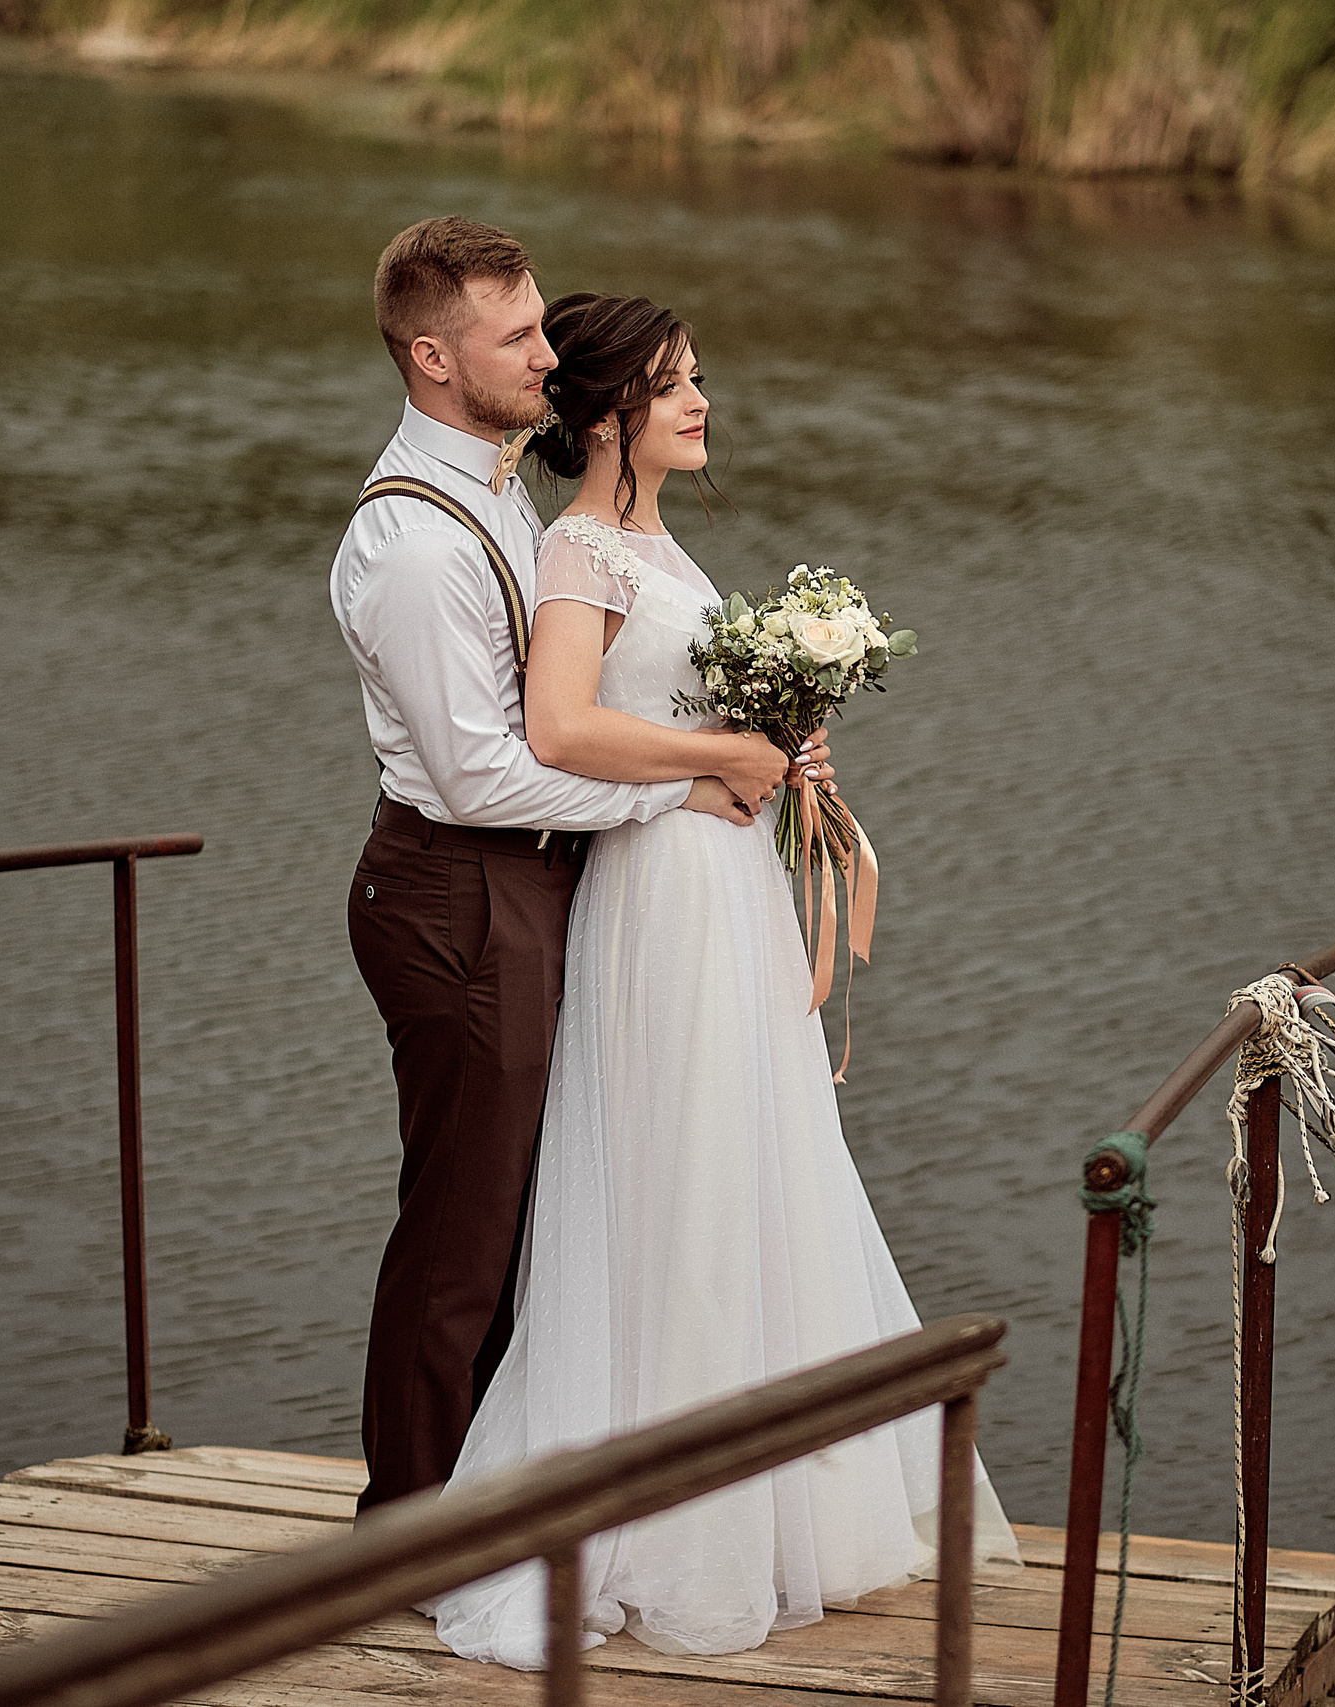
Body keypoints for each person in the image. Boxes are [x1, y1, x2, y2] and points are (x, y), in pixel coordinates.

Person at [421, 291, 1021, 1669]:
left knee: (754, 1160)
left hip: (726, 887)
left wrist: (774, 742)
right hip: (666, 897)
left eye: (698, 380)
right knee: (680, 1168)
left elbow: (661, 710)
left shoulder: (652, 541)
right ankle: (672, 1516)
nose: (702, 403)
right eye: (677, 384)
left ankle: (777, 1501)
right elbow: (559, 724)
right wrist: (719, 762)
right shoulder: (582, 549)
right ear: (611, 408)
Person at [331, 217, 811, 1518]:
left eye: (545, 326)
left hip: (519, 882)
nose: (549, 356)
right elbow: (487, 771)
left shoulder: (497, 482)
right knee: (462, 1231)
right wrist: (683, 783)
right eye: (519, 336)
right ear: (433, 358)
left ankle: (492, 1489)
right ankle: (410, 1524)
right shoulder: (416, 544)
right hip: (454, 888)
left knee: (524, 1215)